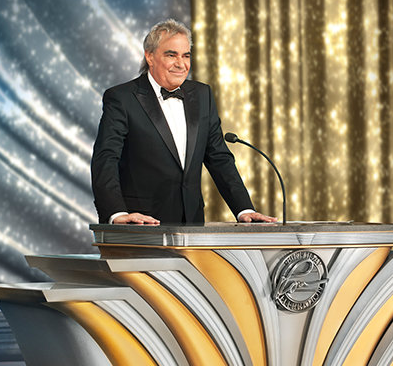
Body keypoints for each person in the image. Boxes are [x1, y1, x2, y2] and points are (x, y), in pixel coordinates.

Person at [91, 19, 276, 225]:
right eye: (171, 55)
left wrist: (244, 209)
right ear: (149, 56)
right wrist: (117, 213)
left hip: (192, 225)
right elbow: (105, 159)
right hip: (140, 225)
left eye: (186, 55)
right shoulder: (122, 98)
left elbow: (219, 157)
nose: (181, 64)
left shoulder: (203, 95)